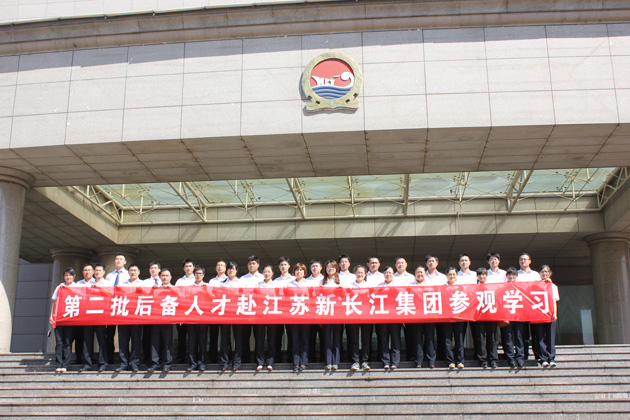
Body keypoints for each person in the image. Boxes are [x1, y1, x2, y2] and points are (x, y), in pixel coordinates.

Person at [79, 263, 110, 373]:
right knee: (87, 340)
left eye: (99, 270)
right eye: (96, 270)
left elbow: (110, 296)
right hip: (88, 315)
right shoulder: (88, 284)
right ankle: (87, 364)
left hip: (101, 315)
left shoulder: (107, 284)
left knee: (102, 340)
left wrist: (99, 289)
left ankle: (103, 363)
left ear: (103, 272)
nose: (97, 272)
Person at [115, 264, 143, 373]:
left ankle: (134, 363)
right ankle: (123, 363)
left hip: (136, 316)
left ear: (139, 272)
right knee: (123, 341)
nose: (133, 272)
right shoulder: (122, 285)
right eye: (131, 270)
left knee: (135, 341)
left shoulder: (142, 284)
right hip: (123, 316)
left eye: (135, 270)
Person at [49, 267, 76, 373]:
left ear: (74, 276)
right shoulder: (59, 287)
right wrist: (51, 316)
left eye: (70, 275)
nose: (68, 277)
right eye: (66, 275)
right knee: (59, 342)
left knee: (68, 342)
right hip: (59, 318)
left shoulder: (77, 287)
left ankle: (65, 364)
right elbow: (54, 302)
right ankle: (59, 363)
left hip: (70, 318)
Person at [408, 266, 436, 369]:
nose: (420, 274)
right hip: (416, 317)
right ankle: (418, 361)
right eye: (418, 272)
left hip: (429, 316)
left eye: (421, 272)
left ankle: (431, 361)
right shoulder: (410, 286)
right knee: (417, 340)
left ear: (425, 274)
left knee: (430, 339)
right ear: (415, 274)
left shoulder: (430, 285)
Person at [532, 265, 560, 368]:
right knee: (540, 337)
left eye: (546, 272)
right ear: (539, 273)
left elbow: (554, 300)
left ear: (550, 273)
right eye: (542, 272)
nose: (544, 274)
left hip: (549, 314)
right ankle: (543, 358)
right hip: (538, 314)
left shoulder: (552, 286)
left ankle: (551, 358)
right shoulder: (536, 285)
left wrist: (554, 313)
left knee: (550, 337)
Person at [376, 266, 403, 370]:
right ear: (383, 274)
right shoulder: (378, 286)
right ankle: (385, 361)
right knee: (384, 339)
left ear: (393, 275)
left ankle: (395, 362)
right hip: (382, 316)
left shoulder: (398, 286)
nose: (388, 275)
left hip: (395, 316)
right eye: (386, 273)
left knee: (395, 339)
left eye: (390, 273)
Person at [104, 254, 130, 365]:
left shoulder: (128, 274)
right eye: (116, 259)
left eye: (121, 259)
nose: (118, 261)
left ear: (125, 262)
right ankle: (108, 358)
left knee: (123, 335)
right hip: (111, 307)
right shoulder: (109, 276)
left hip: (123, 307)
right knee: (109, 334)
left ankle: (123, 360)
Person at [347, 265, 373, 371]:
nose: (360, 274)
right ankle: (355, 361)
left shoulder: (369, 286)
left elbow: (373, 299)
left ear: (365, 274)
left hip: (366, 315)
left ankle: (365, 361)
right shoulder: (349, 286)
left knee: (366, 339)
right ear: (355, 274)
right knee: (354, 339)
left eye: (362, 273)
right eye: (358, 272)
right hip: (353, 315)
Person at [149, 268, 175, 373]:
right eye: (163, 276)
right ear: (160, 277)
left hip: (168, 319)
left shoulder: (174, 289)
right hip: (156, 319)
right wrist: (153, 290)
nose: (164, 277)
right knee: (155, 342)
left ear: (170, 277)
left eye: (167, 276)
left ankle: (167, 364)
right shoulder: (155, 288)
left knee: (167, 342)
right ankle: (155, 363)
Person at [255, 264, 280, 371]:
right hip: (260, 315)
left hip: (272, 315)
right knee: (259, 339)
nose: (267, 273)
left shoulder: (276, 285)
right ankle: (260, 362)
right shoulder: (258, 285)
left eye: (269, 272)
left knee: (271, 339)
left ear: (272, 273)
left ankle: (270, 362)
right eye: (265, 271)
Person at [220, 261, 244, 372]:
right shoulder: (222, 283)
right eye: (229, 269)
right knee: (224, 338)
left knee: (238, 338)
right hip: (225, 313)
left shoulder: (241, 283)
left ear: (236, 271)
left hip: (237, 313)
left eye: (233, 269)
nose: (231, 271)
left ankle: (237, 362)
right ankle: (225, 362)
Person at [500, 267, 526, 369]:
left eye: (513, 275)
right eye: (509, 275)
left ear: (516, 276)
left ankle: (520, 358)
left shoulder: (521, 287)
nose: (511, 277)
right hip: (506, 315)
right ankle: (510, 358)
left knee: (519, 337)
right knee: (508, 337)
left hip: (518, 316)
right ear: (506, 276)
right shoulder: (502, 287)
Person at [184, 266, 208, 372]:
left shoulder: (207, 286)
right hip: (191, 318)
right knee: (192, 341)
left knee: (202, 341)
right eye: (197, 273)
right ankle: (192, 363)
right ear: (194, 275)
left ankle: (202, 363)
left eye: (200, 273)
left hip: (203, 318)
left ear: (203, 275)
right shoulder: (189, 288)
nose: (198, 275)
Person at [287, 263, 310, 372]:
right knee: (295, 340)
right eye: (297, 270)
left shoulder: (308, 284)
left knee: (304, 339)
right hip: (293, 315)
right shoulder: (289, 284)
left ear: (304, 272)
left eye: (301, 270)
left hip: (305, 315)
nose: (299, 272)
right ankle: (296, 363)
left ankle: (304, 362)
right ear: (294, 272)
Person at [473, 267, 498, 369]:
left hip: (491, 315)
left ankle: (493, 359)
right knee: (480, 338)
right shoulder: (473, 287)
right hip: (479, 316)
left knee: (492, 338)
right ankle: (482, 360)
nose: (482, 276)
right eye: (480, 274)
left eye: (483, 274)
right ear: (477, 276)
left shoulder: (491, 287)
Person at [240, 255, 263, 363]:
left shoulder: (262, 277)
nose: (251, 265)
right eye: (249, 264)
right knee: (245, 336)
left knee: (259, 337)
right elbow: (240, 293)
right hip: (246, 311)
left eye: (253, 263)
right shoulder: (242, 279)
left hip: (259, 311)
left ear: (258, 265)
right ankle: (245, 359)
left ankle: (259, 360)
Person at [442, 267, 466, 369]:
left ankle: (460, 361)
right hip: (446, 317)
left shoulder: (461, 287)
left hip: (459, 317)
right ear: (446, 275)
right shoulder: (442, 287)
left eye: (453, 274)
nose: (452, 276)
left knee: (459, 339)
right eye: (450, 274)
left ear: (456, 276)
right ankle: (450, 361)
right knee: (447, 340)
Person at [322, 259, 343, 371]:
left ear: (336, 269)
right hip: (325, 312)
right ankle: (328, 361)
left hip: (337, 312)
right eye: (328, 267)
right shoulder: (321, 281)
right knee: (326, 338)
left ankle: (336, 361)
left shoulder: (341, 280)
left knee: (337, 338)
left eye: (333, 267)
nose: (330, 269)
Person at [274, 256, 295, 362]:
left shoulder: (294, 280)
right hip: (278, 311)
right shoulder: (275, 281)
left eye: (285, 264)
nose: (283, 266)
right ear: (279, 267)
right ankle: (277, 358)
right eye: (281, 265)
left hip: (291, 311)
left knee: (292, 335)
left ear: (289, 266)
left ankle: (291, 358)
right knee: (277, 335)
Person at [206, 260, 228, 363]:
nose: (220, 267)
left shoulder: (228, 280)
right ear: (215, 268)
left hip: (225, 312)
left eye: (222, 265)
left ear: (225, 268)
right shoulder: (211, 281)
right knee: (213, 335)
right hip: (214, 312)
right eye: (218, 265)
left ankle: (225, 358)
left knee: (225, 336)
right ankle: (212, 357)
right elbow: (209, 294)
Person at [175, 258, 195, 363]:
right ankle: (181, 357)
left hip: (193, 312)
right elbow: (175, 295)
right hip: (181, 313)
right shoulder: (179, 281)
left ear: (193, 267)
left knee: (192, 336)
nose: (188, 268)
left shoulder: (196, 280)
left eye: (190, 266)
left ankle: (192, 358)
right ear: (183, 268)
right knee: (181, 336)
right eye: (186, 266)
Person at [142, 261, 161, 365]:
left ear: (159, 270)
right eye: (151, 268)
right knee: (147, 337)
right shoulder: (144, 282)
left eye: (155, 268)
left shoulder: (163, 281)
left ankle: (159, 358)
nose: (153, 270)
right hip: (148, 313)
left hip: (161, 314)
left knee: (159, 337)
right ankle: (147, 358)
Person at [305, 259, 325, 362]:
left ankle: (323, 359)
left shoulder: (325, 280)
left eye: (316, 266)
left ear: (321, 268)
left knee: (324, 337)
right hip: (310, 313)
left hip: (323, 312)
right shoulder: (306, 281)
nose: (315, 268)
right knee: (310, 337)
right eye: (313, 266)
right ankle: (311, 359)